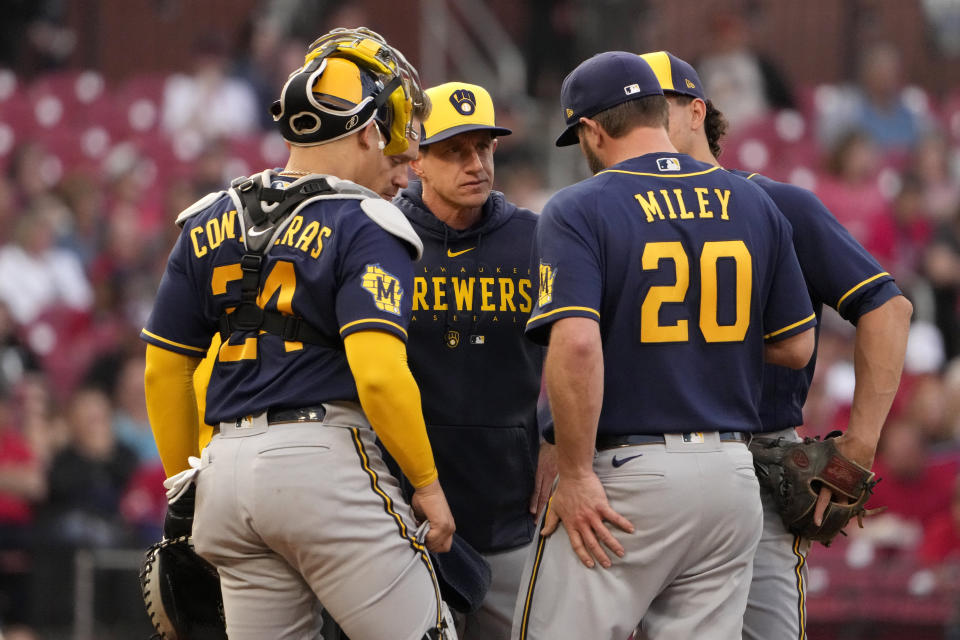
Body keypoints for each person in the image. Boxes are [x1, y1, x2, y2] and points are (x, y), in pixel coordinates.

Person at [141, 28, 457, 640]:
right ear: (366, 131)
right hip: (322, 466)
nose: (406, 171)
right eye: (396, 154)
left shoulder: (208, 216)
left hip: (225, 479)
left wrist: (184, 492)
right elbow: (379, 374)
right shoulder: (366, 221)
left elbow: (163, 369)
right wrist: (428, 485)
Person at [512, 51, 816, 640]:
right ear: (660, 111)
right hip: (731, 476)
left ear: (592, 130)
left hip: (631, 477)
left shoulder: (580, 206)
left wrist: (574, 474)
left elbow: (576, 346)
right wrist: (694, 345)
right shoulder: (753, 201)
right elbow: (797, 346)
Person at [638, 50, 914, 640]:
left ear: (696, 112)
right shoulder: (613, 212)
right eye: (623, 113)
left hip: (760, 457)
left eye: (649, 108)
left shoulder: (780, 205)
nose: (635, 125)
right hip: (641, 462)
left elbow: (887, 309)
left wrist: (860, 444)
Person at [391, 81, 554, 639]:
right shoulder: (382, 236)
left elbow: (581, 348)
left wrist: (556, 436)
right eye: (455, 150)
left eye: (484, 147)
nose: (476, 164)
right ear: (417, 160)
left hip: (508, 504)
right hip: (403, 508)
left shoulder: (534, 239)